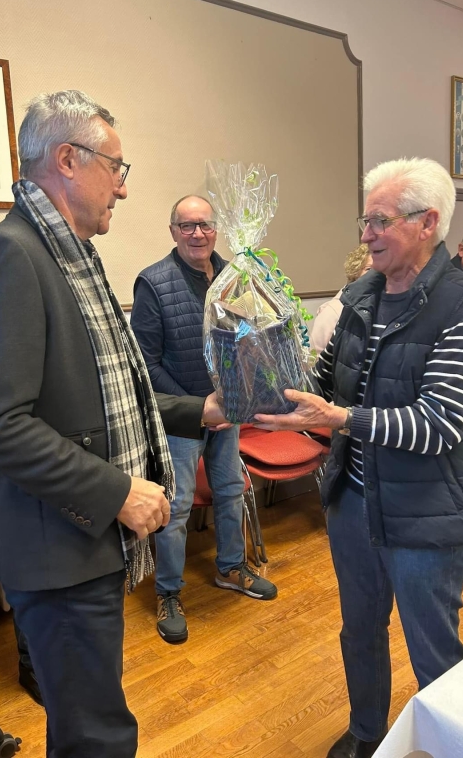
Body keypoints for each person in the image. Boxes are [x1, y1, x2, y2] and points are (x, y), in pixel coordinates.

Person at [0, 91, 226, 758]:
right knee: (97, 735)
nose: (123, 191)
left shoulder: (75, 255)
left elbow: (111, 401)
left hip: (85, 540)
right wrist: (116, 491)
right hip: (58, 548)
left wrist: (202, 411)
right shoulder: (7, 255)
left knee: (86, 723)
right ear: (67, 160)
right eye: (116, 168)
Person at [255, 158, 463, 758]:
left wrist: (340, 419)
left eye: (379, 220)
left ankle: (453, 747)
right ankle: (368, 732)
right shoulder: (361, 295)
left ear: (428, 223)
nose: (365, 233)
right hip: (355, 504)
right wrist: (259, 358)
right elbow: (321, 379)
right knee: (359, 632)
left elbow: (438, 423)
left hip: (427, 515)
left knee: (432, 647)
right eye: (364, 219)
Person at [131, 194, 277, 644]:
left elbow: (247, 342)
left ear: (216, 230)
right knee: (174, 508)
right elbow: (146, 363)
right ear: (173, 231)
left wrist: (237, 397)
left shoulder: (235, 277)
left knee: (231, 490)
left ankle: (231, 568)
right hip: (182, 417)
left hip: (229, 410)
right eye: (187, 226)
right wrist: (199, 409)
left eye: (205, 225)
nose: (197, 233)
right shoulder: (153, 283)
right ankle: (169, 593)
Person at [310, 244, 372, 353]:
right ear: (356, 272)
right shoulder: (333, 311)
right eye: (369, 269)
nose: (375, 274)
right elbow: (314, 358)